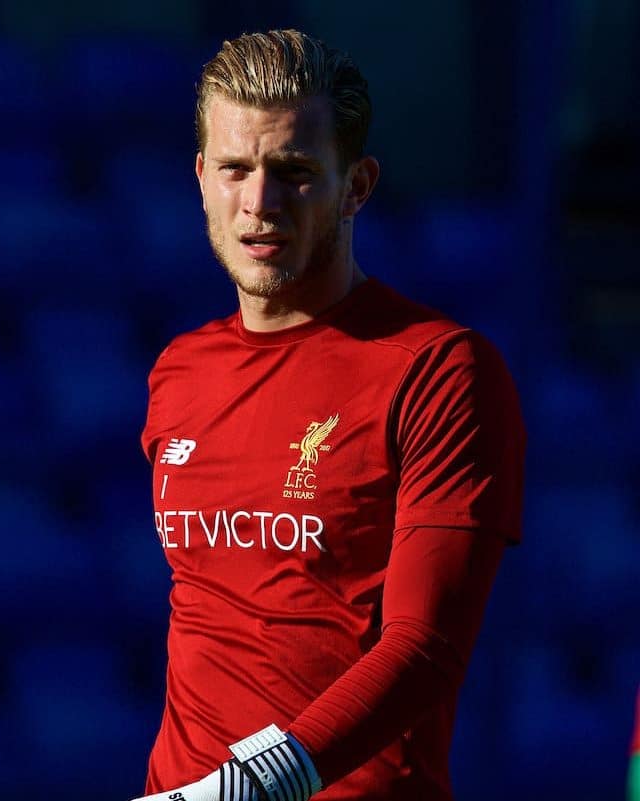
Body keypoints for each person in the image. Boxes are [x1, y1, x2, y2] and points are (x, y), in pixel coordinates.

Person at [130, 30, 525, 801]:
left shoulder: (441, 370)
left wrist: (243, 789)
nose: (260, 204)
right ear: (202, 176)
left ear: (358, 185)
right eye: (236, 169)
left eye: (295, 173)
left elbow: (425, 647)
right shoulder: (178, 372)